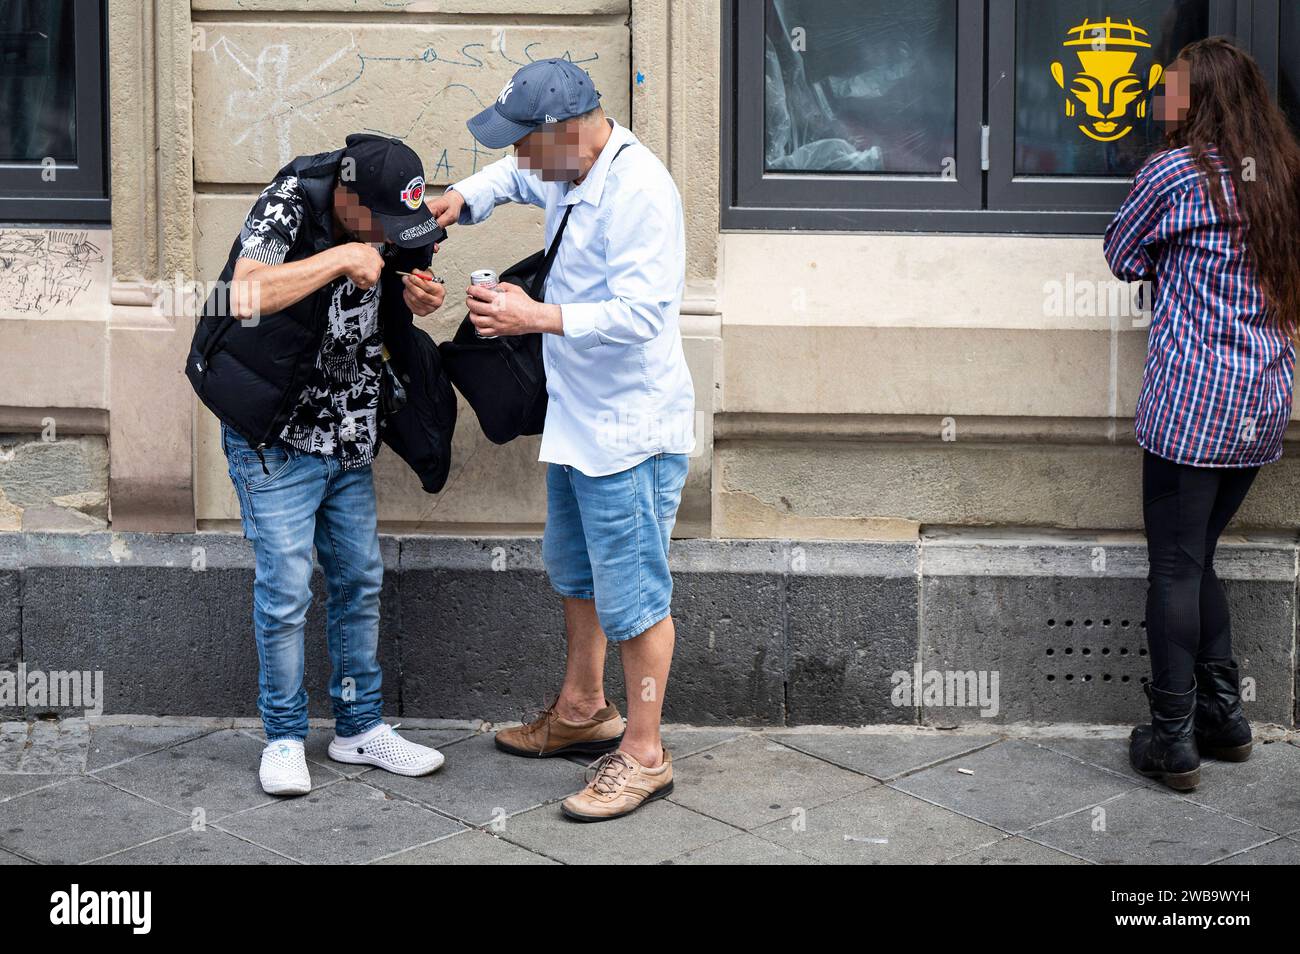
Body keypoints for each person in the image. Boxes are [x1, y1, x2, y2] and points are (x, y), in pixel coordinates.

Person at [426, 59, 696, 821]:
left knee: (636, 598)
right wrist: (458, 200)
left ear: (567, 131)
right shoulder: (561, 164)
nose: (517, 158)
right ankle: (583, 710)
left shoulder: (641, 191)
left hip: (629, 433)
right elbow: (509, 184)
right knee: (576, 573)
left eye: (524, 143)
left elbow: (645, 313)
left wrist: (533, 317)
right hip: (579, 423)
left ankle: (644, 754)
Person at [187, 134, 450, 796]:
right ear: (348, 198)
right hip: (276, 438)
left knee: (360, 579)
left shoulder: (394, 216)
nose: (395, 237)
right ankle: (282, 736)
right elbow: (241, 295)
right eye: (383, 227)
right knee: (286, 592)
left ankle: (360, 728)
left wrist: (419, 297)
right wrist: (339, 258)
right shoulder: (290, 202)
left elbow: (409, 276)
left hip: (350, 433)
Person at [1103, 37, 1300, 790]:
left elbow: (1122, 254)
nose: (1160, 101)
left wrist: (1173, 261)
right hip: (1260, 405)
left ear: (1196, 99)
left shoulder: (1173, 173)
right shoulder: (1280, 175)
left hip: (1193, 405)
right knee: (1198, 559)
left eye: (1169, 90)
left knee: (1175, 568)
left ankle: (1174, 738)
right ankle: (1226, 718)